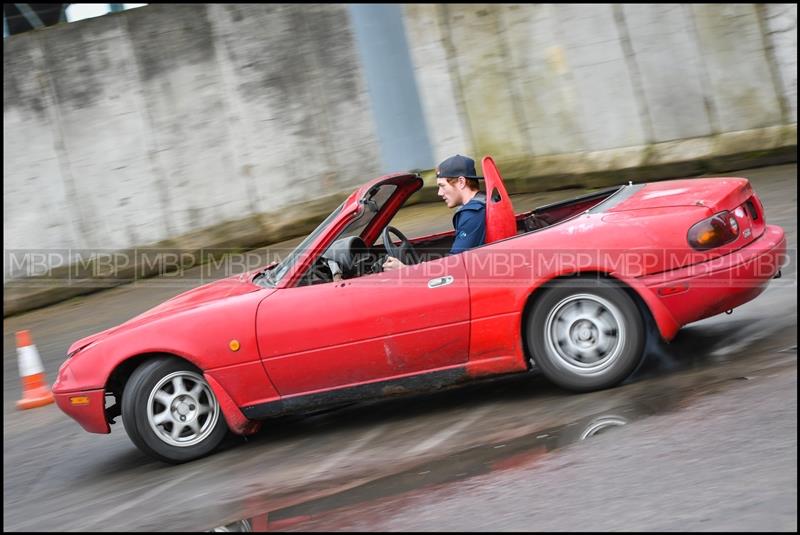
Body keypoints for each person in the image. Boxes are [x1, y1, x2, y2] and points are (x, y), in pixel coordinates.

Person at [383, 154, 486, 271]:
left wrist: (405, 269)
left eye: (442, 186)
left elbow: (455, 268)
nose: (439, 193)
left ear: (461, 182)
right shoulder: (483, 202)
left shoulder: (472, 214)